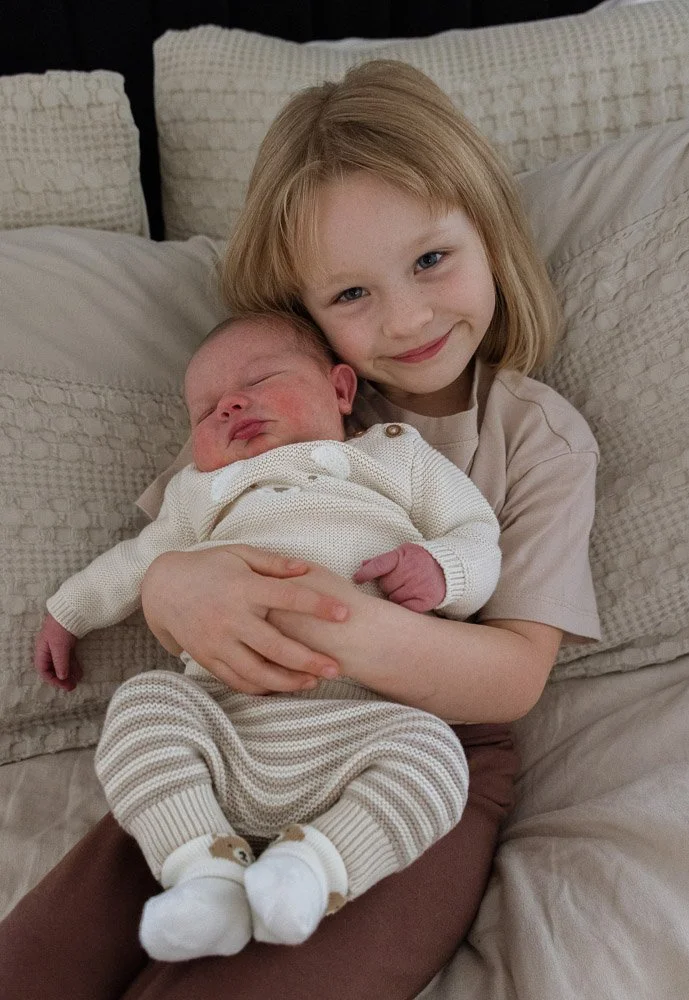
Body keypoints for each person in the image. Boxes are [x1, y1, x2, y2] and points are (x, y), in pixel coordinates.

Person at [0, 60, 600, 1000]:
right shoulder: (265, 404)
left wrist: (334, 619)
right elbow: (167, 554)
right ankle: (201, 869)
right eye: (350, 295)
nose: (406, 317)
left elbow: (514, 676)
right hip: (227, 732)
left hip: (411, 754)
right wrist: (166, 590)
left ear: (487, 228)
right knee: (34, 967)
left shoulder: (535, 438)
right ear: (306, 315)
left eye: (430, 260)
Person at [34, 311, 502, 961]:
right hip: (224, 726)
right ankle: (202, 872)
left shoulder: (395, 455)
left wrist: (442, 571)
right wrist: (71, 610)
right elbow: (140, 558)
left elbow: (476, 533)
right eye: (206, 411)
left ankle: (315, 871)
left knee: (434, 758)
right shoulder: (198, 491)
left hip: (359, 726)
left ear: (340, 390)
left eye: (260, 380)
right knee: (143, 706)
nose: (230, 405)